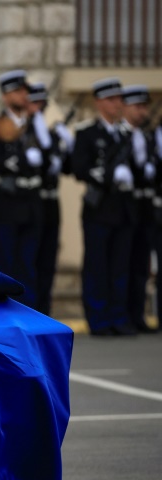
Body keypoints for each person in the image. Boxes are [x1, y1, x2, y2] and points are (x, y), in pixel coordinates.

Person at [72, 78, 136, 336]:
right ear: (99, 102)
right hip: (99, 209)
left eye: (119, 99)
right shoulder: (87, 133)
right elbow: (78, 168)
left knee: (120, 267)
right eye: (111, 100)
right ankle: (98, 319)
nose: (117, 104)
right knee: (97, 266)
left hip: (124, 209)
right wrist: (108, 175)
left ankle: (118, 317)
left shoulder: (127, 134)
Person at [0, 70, 47, 308]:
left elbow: (51, 161)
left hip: (32, 202)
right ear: (5, 96)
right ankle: (3, 310)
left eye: (25, 91)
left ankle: (28, 311)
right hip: (8, 202)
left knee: (29, 263)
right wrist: (20, 160)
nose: (23, 96)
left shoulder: (35, 125)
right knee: (5, 261)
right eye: (18, 91)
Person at [26, 82, 64, 316]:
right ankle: (31, 309)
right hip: (31, 202)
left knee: (47, 260)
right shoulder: (21, 132)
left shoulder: (46, 132)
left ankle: (44, 308)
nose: (38, 109)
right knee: (30, 259)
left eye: (42, 104)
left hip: (50, 203)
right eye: (34, 103)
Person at [122, 85, 157, 333]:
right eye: (137, 106)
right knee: (123, 264)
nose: (142, 111)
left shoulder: (146, 136)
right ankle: (122, 316)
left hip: (146, 206)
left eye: (144, 106)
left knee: (140, 266)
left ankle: (137, 315)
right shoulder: (120, 135)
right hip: (125, 207)